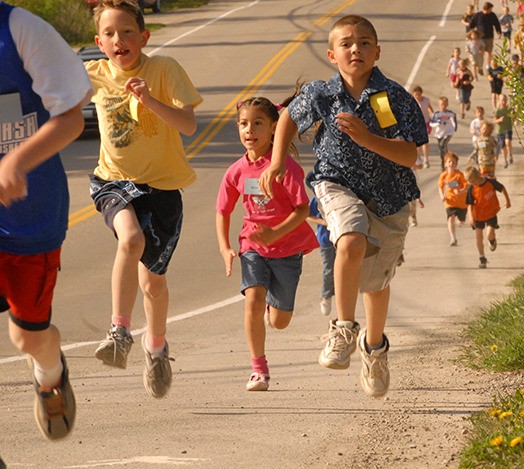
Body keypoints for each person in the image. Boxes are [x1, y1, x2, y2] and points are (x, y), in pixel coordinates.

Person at [258, 15, 428, 398]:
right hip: (335, 185)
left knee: (376, 283)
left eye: (365, 43)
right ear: (332, 54)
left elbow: (408, 154)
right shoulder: (322, 95)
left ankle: (375, 349)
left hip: (390, 197)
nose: (357, 49)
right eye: (348, 43)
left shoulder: (392, 97)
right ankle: (343, 329)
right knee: (349, 240)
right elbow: (287, 116)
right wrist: (277, 161)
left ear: (378, 51)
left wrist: (369, 139)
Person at [85, 0, 202, 399]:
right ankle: (119, 332)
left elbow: (187, 125)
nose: (120, 40)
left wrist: (151, 100)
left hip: (164, 187)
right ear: (99, 42)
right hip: (113, 181)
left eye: (128, 32)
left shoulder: (164, 70)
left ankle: (156, 346)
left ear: (144, 37)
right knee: (130, 240)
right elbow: (45, 96)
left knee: (153, 282)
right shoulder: (92, 75)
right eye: (111, 34)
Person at [0, 2, 92, 439]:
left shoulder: (21, 30)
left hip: (29, 218)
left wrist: (19, 159)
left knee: (28, 337)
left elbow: (72, 116)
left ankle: (49, 371)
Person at [216, 97, 318, 391]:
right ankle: (258, 370)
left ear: (274, 128)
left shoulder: (286, 168)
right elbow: (223, 211)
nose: (250, 130)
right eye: (244, 124)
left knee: (280, 321)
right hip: (253, 246)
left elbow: (302, 210)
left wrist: (275, 233)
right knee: (253, 299)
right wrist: (225, 247)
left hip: (287, 251)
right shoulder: (236, 171)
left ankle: (269, 311)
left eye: (258, 123)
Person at [465, 166, 511, 268]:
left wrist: (507, 201)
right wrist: (470, 217)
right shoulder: (471, 188)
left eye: (472, 181)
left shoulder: (490, 182)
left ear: (477, 177)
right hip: (478, 215)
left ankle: (492, 240)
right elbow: (469, 204)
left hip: (491, 213)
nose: (470, 184)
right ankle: (482, 258)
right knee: (479, 237)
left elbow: (502, 188)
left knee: (489, 234)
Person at [308, 195, 335, 316]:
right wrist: (324, 222)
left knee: (348, 270)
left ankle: (345, 302)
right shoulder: (319, 195)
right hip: (326, 239)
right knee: (329, 270)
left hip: (346, 237)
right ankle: (326, 296)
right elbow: (308, 215)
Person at [438, 152, 469, 246]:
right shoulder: (443, 175)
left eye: (453, 162)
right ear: (445, 164)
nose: (451, 163)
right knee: (450, 219)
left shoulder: (459, 175)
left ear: (456, 164)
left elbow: (466, 186)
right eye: (449, 161)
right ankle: (453, 238)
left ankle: (461, 221)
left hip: (462, 203)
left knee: (462, 221)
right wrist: (442, 196)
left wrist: (460, 191)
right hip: (450, 202)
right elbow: (440, 186)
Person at [469, 2, 502, 66]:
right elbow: (472, 25)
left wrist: (499, 32)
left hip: (490, 37)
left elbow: (496, 24)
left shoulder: (492, 15)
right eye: (490, 9)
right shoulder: (478, 15)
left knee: (489, 52)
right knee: (481, 52)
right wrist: (471, 34)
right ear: (487, 9)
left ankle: (488, 65)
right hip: (480, 38)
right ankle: (480, 65)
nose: (491, 10)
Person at [429, 96, 458, 170]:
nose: (443, 106)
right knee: (441, 150)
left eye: (445, 104)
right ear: (439, 105)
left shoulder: (451, 113)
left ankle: (448, 159)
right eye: (441, 104)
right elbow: (431, 123)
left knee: (442, 144)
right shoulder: (436, 114)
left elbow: (454, 122)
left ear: (447, 104)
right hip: (439, 134)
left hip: (448, 132)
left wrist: (454, 129)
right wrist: (437, 123)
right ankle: (444, 162)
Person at [412, 86, 434, 168]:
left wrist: (432, 115)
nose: (417, 96)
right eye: (415, 94)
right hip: (416, 124)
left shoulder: (426, 100)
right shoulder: (412, 101)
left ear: (421, 94)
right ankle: (417, 157)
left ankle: (426, 159)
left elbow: (430, 108)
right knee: (419, 144)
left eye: (418, 94)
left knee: (425, 141)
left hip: (426, 123)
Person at [495, 94, 514, 168]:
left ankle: (510, 154)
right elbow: (494, 120)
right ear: (499, 101)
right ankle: (505, 160)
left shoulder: (509, 109)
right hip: (500, 131)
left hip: (508, 128)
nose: (503, 102)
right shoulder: (498, 111)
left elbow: (513, 116)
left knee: (508, 141)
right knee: (503, 147)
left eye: (505, 100)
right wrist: (499, 120)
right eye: (502, 100)